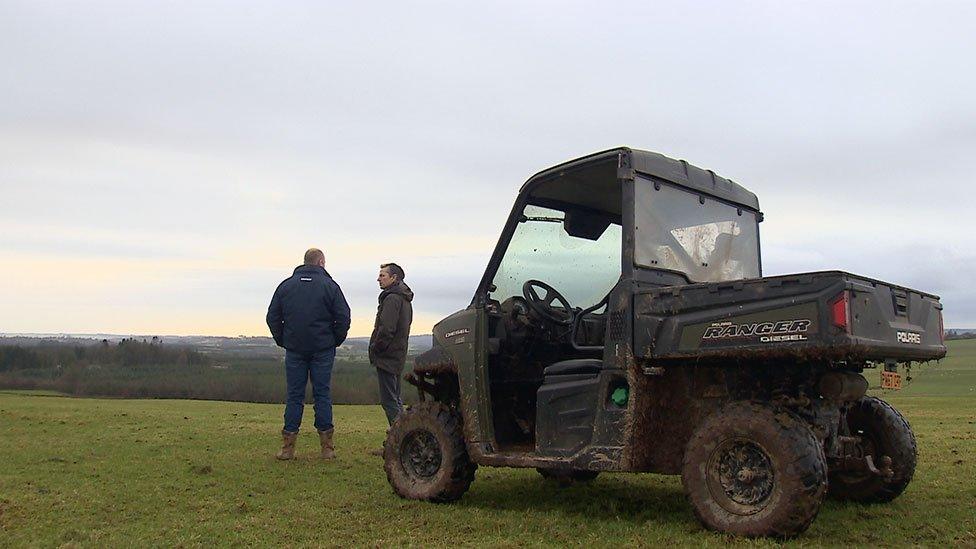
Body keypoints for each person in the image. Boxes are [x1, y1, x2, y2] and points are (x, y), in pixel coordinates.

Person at [266, 248, 351, 461]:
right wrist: (334, 340)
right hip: (323, 349)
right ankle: (327, 448)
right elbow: (343, 317)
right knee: (322, 394)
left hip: (294, 349)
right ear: (321, 262)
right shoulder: (330, 286)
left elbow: (272, 317)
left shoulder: (286, 286)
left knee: (294, 396)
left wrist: (283, 340)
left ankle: (287, 448)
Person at [369, 262, 414, 439]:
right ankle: (404, 437)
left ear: (394, 278)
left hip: (388, 355)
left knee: (389, 401)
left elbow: (387, 329)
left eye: (382, 275)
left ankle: (401, 440)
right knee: (395, 397)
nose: (378, 279)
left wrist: (376, 348)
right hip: (397, 354)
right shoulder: (403, 298)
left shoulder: (392, 299)